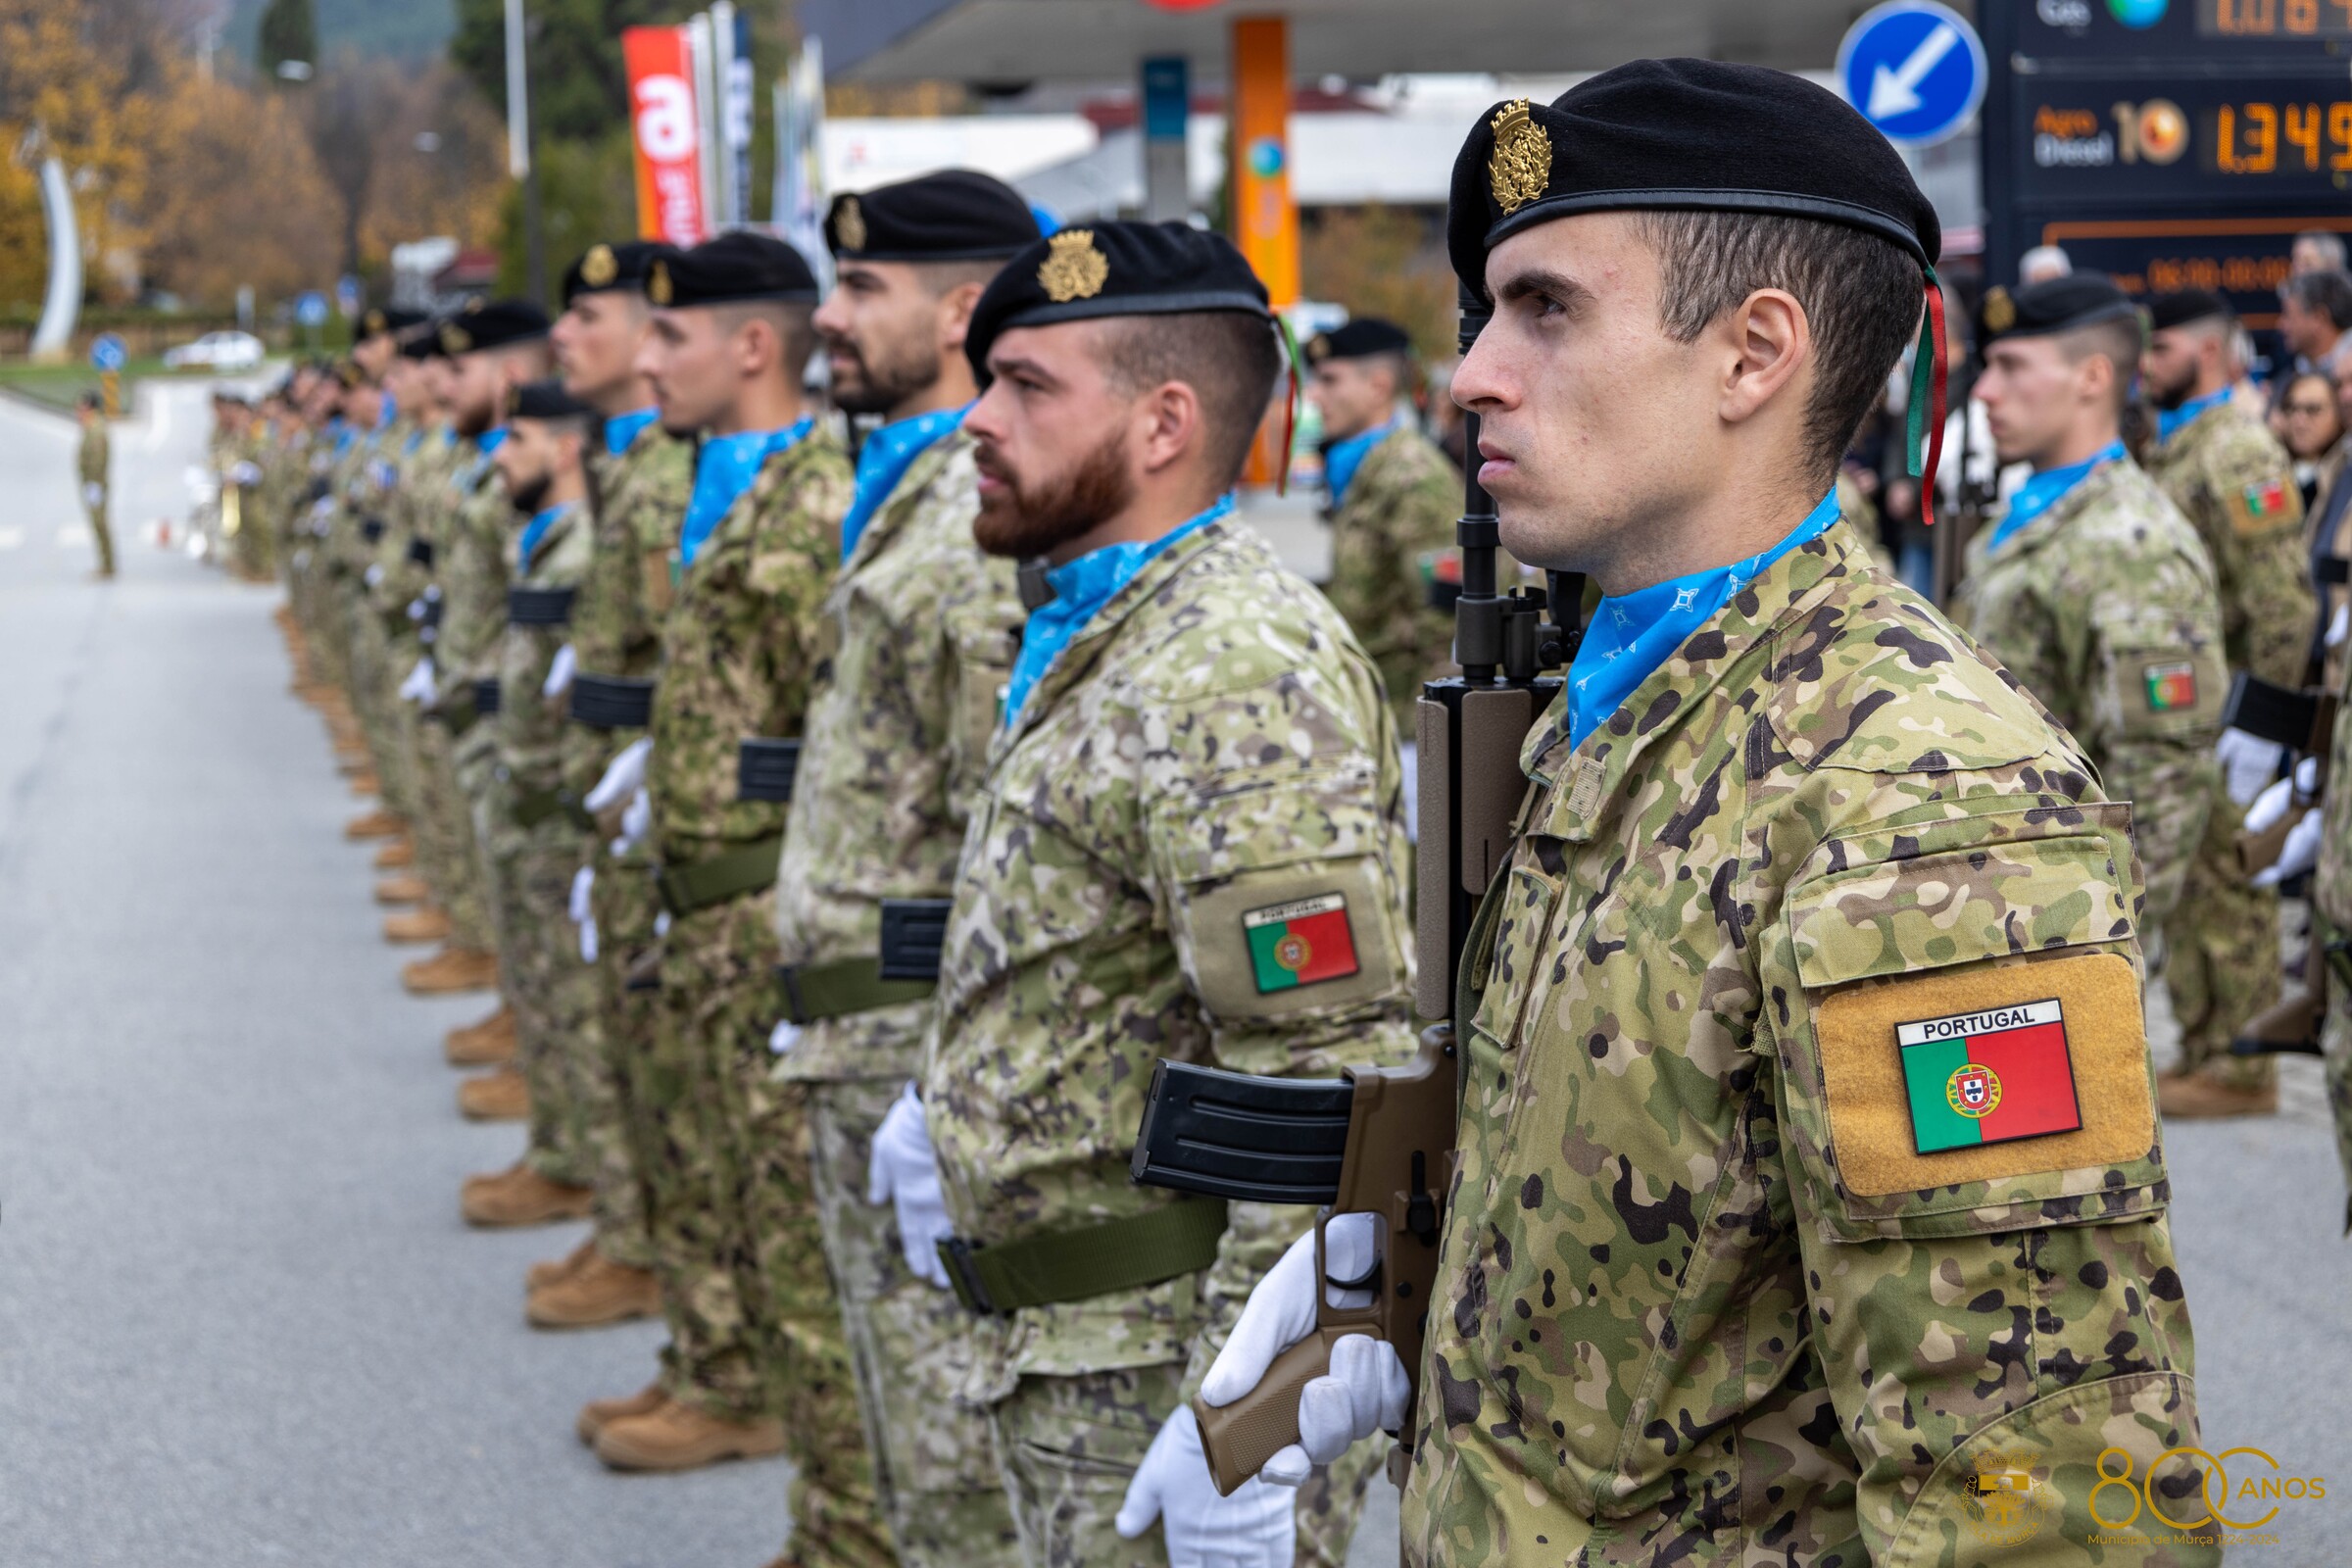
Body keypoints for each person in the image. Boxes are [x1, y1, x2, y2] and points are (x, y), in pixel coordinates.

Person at [1199, 62, 2203, 1565]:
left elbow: (2039, 1485)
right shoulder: (1625, 703)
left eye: (1546, 309)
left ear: (1753, 355)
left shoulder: (1913, 798)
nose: (1473, 375)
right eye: (1488, 314)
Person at [897, 220, 1416, 1568]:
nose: (978, 419)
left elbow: (1325, 1083)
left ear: (1164, 422)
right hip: (1074, 1348)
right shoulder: (1100, 623)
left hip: (1161, 1370)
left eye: (1027, 386)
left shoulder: (1231, 667)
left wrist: (1249, 1428)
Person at [581, 234, 870, 1568]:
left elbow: (840, 739)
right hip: (699, 895)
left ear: (753, 346)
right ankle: (728, 1379)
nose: (646, 361)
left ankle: (841, 1519)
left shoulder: (816, 505)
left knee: (795, 1239)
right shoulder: (721, 482)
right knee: (729, 1190)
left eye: (670, 336)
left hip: (767, 909)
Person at [771, 171, 1033, 1568]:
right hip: (858, 1033)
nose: (828, 314)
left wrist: (948, 1078)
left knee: (950, 1465)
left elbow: (1004, 830)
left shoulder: (970, 524)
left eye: (862, 287)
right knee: (895, 1434)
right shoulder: (908, 492)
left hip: (910, 1046)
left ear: (958, 312)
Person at [522, 239, 690, 1331]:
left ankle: (651, 1255)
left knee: (663, 1061)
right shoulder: (630, 462)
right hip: (614, 804)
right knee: (622, 1035)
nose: (565, 335)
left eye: (591, 317)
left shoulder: (675, 471)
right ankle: (630, 1228)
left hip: (671, 822)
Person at [1953, 275, 2225, 939]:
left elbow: (2161, 781)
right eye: (1988, 366)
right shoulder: (2032, 513)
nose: (1985, 390)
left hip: (2059, 920)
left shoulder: (2134, 544)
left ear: (2093, 377)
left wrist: (2105, 941)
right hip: (1998, 889)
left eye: (2012, 366)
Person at [2143, 287, 2315, 1117]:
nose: (2146, 365)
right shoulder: (2179, 445)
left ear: (2207, 350)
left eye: (2162, 348)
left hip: (2231, 708)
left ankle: (2244, 1067)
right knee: (2197, 885)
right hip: (2190, 709)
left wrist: (2265, 723)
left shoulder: (2237, 450)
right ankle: (2208, 1048)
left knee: (2231, 885)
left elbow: (2283, 603)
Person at [456, 378, 611, 1232]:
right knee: (544, 987)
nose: (499, 459)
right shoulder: (549, 539)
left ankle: (581, 1176)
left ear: (563, 448)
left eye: (515, 441)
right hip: (529, 797)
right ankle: (557, 1150)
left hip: (560, 810)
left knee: (574, 1005)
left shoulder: (583, 548)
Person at [1304, 318, 1463, 731]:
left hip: (1405, 721)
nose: (1315, 395)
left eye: (1330, 380)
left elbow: (1446, 621)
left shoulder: (1412, 478)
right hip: (1372, 709)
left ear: (1378, 386)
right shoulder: (1365, 468)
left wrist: (1427, 736)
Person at [2276, 369, 2344, 510]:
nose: (2299, 421)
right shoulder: (2272, 473)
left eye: (2313, 409)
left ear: (2339, 414)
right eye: (2291, 408)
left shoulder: (2344, 478)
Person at [76, 391, 115, 580]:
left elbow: (97, 460)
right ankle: (105, 564)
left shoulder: (96, 428)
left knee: (100, 523)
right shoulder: (91, 426)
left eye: (81, 407)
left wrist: (94, 484)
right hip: (93, 483)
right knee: (98, 523)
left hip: (95, 484)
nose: (78, 411)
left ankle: (107, 565)